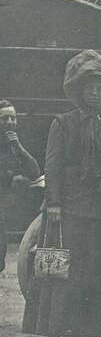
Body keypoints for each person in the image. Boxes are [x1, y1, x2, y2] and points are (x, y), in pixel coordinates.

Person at [22, 50, 101, 337]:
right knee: (60, 271)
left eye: (100, 88)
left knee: (88, 271)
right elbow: (52, 165)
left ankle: (77, 332)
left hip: (96, 209)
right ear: (79, 91)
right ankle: (51, 336)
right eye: (90, 88)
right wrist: (55, 203)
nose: (95, 93)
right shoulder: (64, 123)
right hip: (68, 208)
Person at [0, 99, 40, 273]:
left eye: (13, 118)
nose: (9, 122)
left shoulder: (13, 145)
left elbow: (35, 171)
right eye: (4, 118)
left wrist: (18, 146)